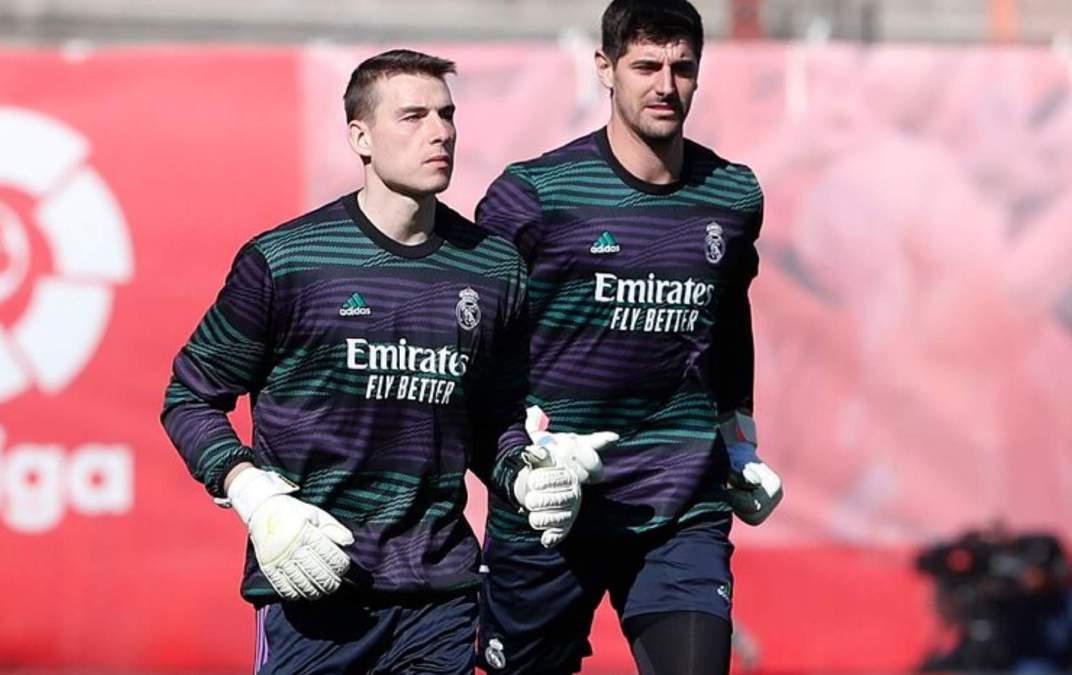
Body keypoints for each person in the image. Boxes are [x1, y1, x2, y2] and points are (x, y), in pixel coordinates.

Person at [160, 49, 614, 674]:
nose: (440, 132)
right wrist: (253, 496)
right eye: (413, 116)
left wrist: (525, 475)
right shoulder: (287, 261)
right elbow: (190, 397)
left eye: (446, 114)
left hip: (440, 593)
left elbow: (496, 422)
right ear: (361, 137)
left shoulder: (494, 268)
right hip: (312, 586)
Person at [475, 1, 783, 673]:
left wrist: (740, 440)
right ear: (605, 68)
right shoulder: (533, 195)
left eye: (682, 68)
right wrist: (518, 458)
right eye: (646, 66)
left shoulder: (732, 195)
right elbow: (474, 348)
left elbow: (729, 323)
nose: (665, 86)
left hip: (678, 502)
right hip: (553, 503)